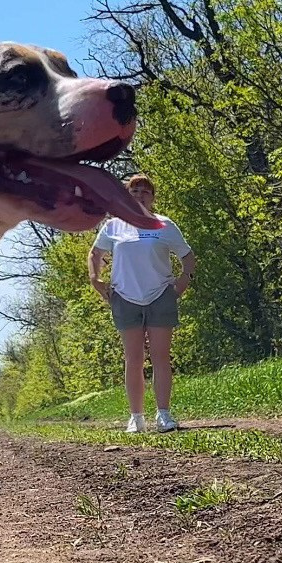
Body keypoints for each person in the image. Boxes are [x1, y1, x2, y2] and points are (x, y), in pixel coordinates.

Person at [87, 174, 195, 433]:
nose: (140, 195)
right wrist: (95, 280)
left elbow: (188, 256)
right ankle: (136, 417)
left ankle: (164, 415)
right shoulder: (113, 226)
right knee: (133, 359)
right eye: (134, 191)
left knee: (160, 357)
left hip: (159, 295)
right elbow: (95, 253)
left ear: (153, 197)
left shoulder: (164, 225)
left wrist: (183, 281)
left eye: (146, 191)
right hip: (125, 297)